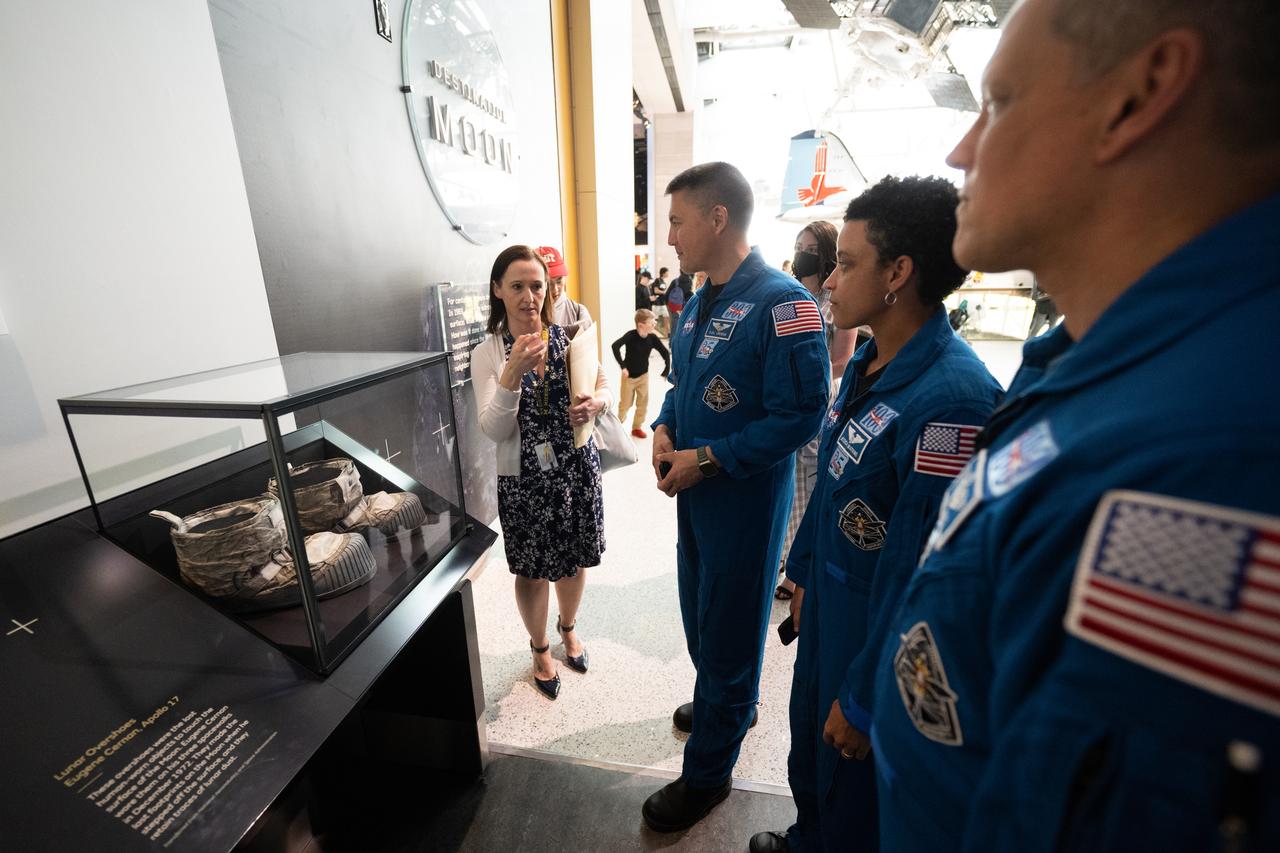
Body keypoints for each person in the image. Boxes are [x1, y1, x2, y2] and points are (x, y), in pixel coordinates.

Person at [867, 1, 1280, 850]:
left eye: (1000, 102)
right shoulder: (1096, 363)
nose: (961, 149)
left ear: (1140, 95)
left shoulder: (1208, 461)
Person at [749, 177, 1000, 853]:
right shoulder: (868, 360)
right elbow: (833, 485)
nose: (829, 280)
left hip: (876, 634)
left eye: (847, 263)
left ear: (897, 274)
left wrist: (866, 696)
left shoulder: (952, 402)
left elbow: (925, 578)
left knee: (853, 785)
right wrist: (802, 574)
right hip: (828, 608)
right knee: (812, 753)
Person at [642, 162, 830, 832]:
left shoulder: (784, 304)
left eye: (676, 221)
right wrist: (665, 427)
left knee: (728, 629)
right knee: (703, 617)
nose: (669, 236)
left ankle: (707, 774)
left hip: (742, 503)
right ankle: (729, 702)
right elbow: (681, 383)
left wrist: (709, 458)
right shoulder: (699, 302)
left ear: (717, 218)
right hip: (694, 498)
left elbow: (802, 413)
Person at [471, 245, 612, 701]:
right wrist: (511, 374)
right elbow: (494, 429)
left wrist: (597, 403)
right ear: (498, 290)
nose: (529, 296)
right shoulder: (489, 353)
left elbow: (603, 383)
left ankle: (568, 627)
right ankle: (539, 648)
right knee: (532, 572)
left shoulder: (567, 337)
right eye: (517, 286)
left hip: (575, 470)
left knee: (573, 560)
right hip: (524, 481)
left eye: (537, 285)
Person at [775, 220, 859, 602]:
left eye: (810, 248)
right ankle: (780, 556)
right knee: (784, 480)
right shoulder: (787, 295)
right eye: (798, 247)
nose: (802, 254)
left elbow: (842, 359)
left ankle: (795, 572)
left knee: (807, 486)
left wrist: (807, 378)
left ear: (826, 253)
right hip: (780, 401)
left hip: (817, 399)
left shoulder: (835, 299)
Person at [611, 308, 671, 438]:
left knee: (642, 404)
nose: (654, 324)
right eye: (651, 322)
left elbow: (665, 352)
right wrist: (623, 367)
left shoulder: (652, 338)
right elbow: (615, 346)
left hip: (643, 376)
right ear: (641, 325)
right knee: (625, 404)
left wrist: (666, 369)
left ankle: (636, 427)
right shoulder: (631, 336)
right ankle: (617, 427)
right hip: (629, 377)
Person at [536, 245, 593, 338]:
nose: (555, 289)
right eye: (549, 284)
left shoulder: (578, 312)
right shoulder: (527, 314)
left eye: (559, 280)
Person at [652, 266, 671, 335]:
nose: (668, 274)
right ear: (663, 273)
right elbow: (656, 290)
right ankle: (653, 333)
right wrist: (665, 292)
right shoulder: (658, 280)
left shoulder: (663, 281)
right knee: (654, 319)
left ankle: (667, 333)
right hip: (657, 303)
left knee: (666, 317)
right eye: (667, 272)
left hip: (663, 303)